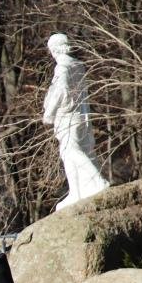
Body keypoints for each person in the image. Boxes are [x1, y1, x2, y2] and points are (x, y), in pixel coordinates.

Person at [42, 33, 109, 210]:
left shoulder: (62, 67)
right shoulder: (77, 65)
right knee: (77, 151)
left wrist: (49, 113)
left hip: (68, 116)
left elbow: (61, 91)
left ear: (55, 49)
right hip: (81, 115)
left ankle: (97, 182)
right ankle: (77, 191)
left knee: (71, 151)